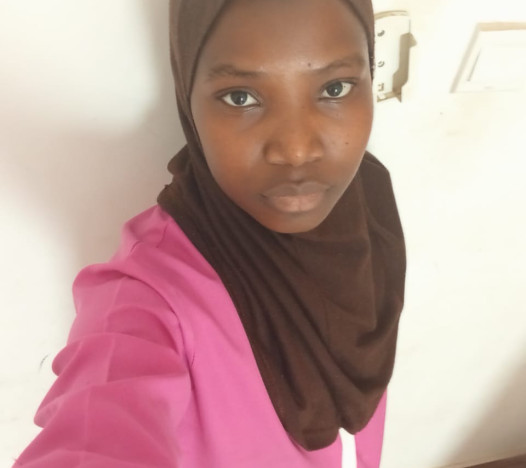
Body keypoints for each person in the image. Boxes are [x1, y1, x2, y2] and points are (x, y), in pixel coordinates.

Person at [13, 0, 406, 466]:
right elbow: (99, 424)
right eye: (241, 97)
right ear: (188, 98)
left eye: (334, 88)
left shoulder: (367, 199)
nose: (297, 150)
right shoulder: (148, 299)